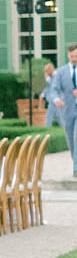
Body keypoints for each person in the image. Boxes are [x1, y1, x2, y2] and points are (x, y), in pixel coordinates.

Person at [51, 42, 77, 177]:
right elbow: (54, 90)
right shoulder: (61, 72)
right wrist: (57, 100)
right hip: (67, 110)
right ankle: (75, 162)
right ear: (68, 55)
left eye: (76, 56)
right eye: (72, 56)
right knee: (71, 140)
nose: (74, 58)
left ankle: (76, 168)